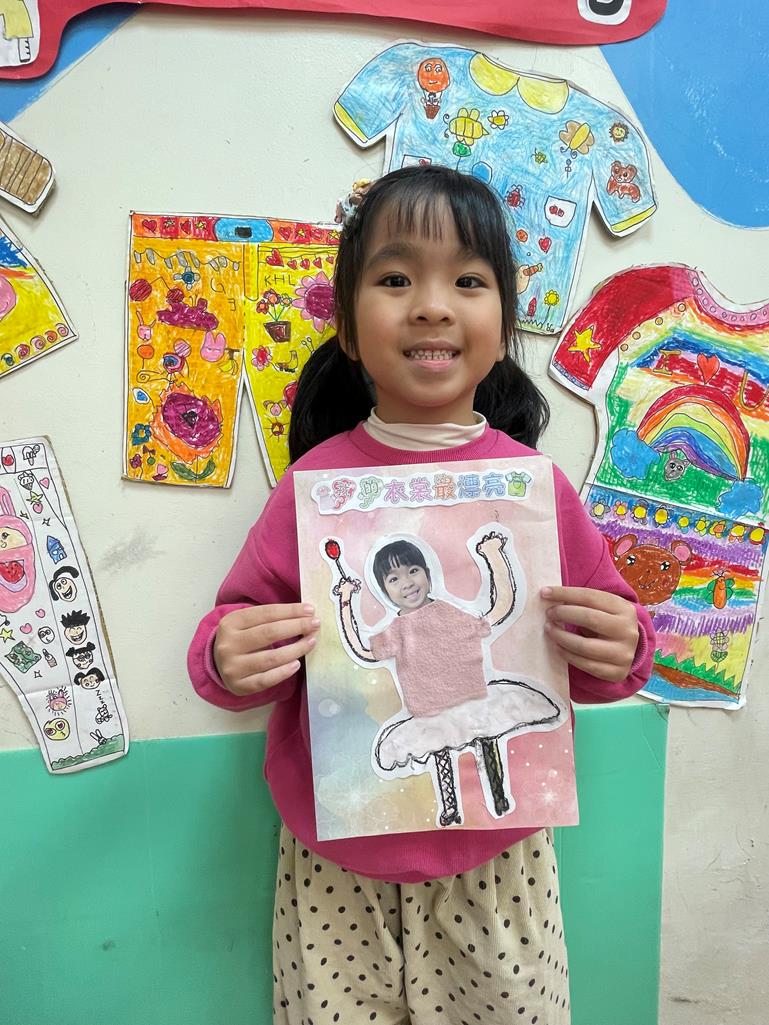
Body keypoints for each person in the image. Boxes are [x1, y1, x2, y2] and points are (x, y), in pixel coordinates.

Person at [188, 165, 655, 1025]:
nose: (433, 306)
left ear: (503, 325)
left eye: (468, 281)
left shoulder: (533, 489)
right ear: (346, 326)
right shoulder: (311, 490)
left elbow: (594, 658)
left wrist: (622, 644)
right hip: (335, 858)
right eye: (396, 278)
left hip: (499, 862)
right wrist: (226, 652)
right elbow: (235, 635)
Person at [329, 532, 566, 826]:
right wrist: (345, 601)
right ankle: (450, 808)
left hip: (473, 698)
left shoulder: (448, 612)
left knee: (485, 740)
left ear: (428, 574)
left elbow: (499, 610)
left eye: (413, 570)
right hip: (430, 710)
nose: (407, 583)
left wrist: (494, 555)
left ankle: (498, 795)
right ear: (384, 590)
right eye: (393, 579)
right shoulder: (397, 632)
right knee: (441, 752)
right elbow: (363, 650)